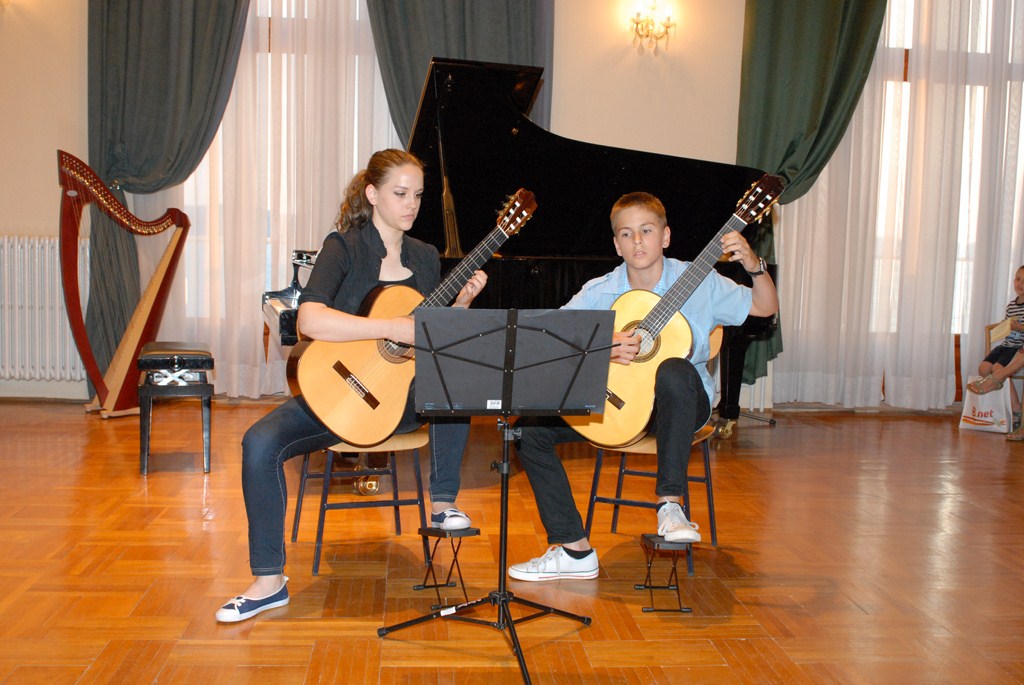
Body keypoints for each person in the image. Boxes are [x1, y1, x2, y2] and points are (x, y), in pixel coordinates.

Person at [216, 149, 487, 621]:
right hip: (343, 394)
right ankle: (269, 581)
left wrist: (459, 307)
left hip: (400, 400)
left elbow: (430, 337)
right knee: (259, 443)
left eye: (418, 196)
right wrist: (387, 328)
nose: (411, 205)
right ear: (372, 193)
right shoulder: (343, 247)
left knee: (453, 371)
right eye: (400, 194)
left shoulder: (425, 258)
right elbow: (311, 317)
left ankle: (442, 504)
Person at [508, 191, 778, 581]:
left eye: (646, 231)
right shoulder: (599, 291)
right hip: (619, 407)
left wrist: (754, 267)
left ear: (665, 237)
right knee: (525, 432)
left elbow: (765, 307)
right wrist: (603, 344)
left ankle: (669, 505)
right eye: (627, 234)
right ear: (616, 243)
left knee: (673, 369)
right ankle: (574, 550)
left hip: (679, 407)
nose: (638, 241)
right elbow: (554, 335)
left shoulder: (698, 279)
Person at [967, 265, 1024, 426]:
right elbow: (1006, 325)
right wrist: (1003, 327)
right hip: (1005, 345)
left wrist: (1018, 327)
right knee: (984, 368)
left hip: (1017, 347)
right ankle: (998, 404)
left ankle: (1015, 408)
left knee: (998, 369)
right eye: (1018, 279)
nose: (1020, 284)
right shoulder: (1012, 305)